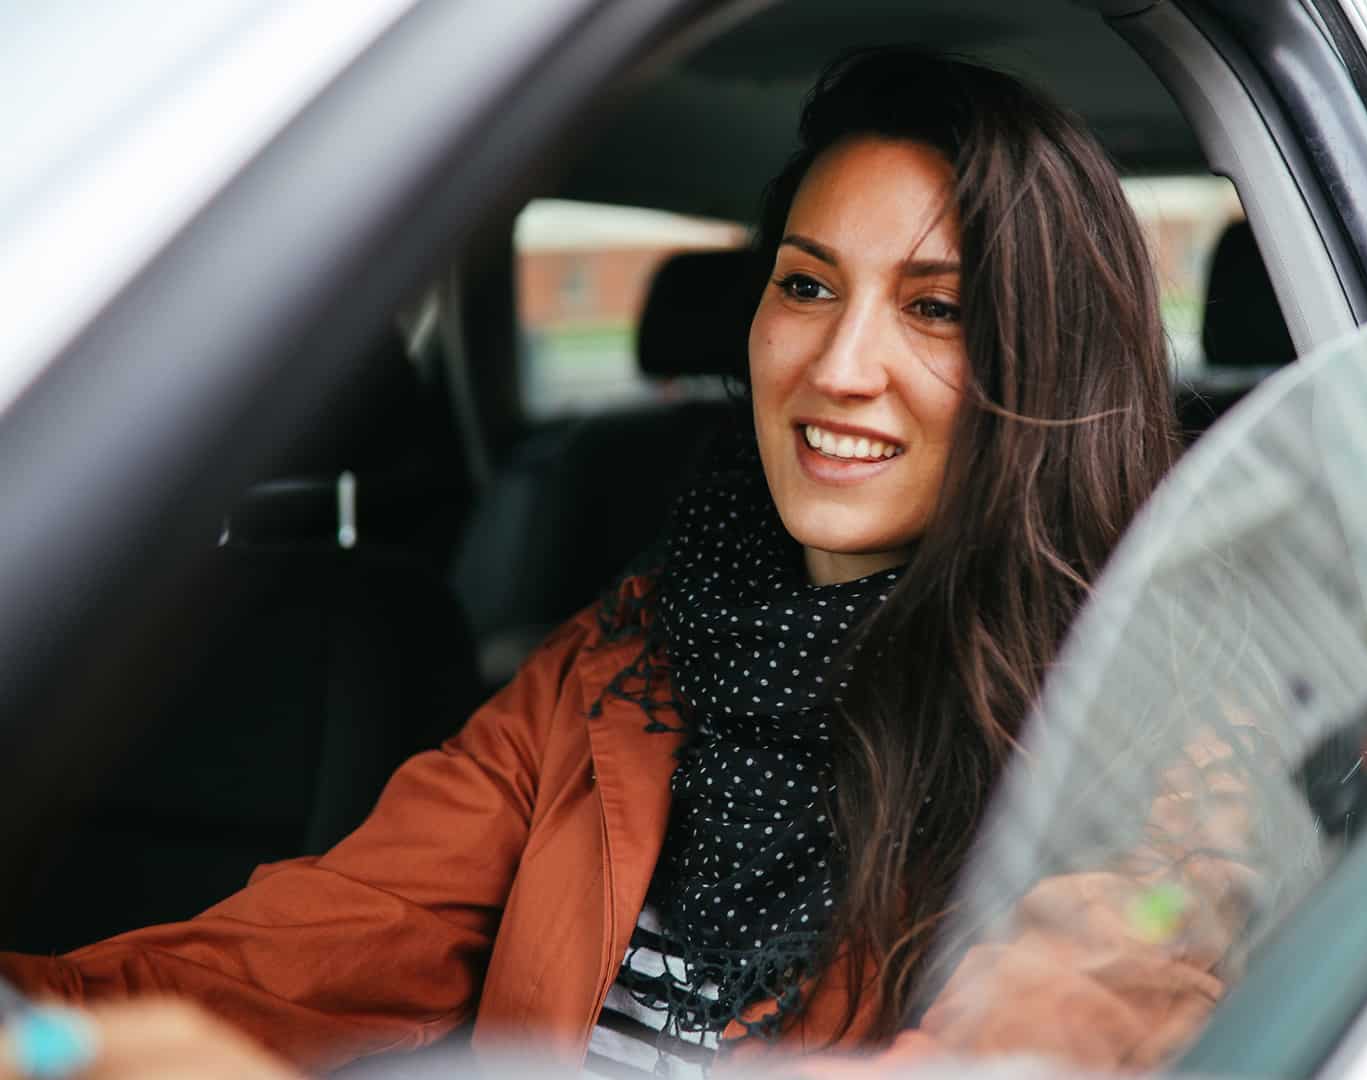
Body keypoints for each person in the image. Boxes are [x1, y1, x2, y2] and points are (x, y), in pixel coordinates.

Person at [0, 46, 1209, 1078]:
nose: (839, 367)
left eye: (936, 309)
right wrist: (45, 1032)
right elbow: (313, 947)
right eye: (805, 285)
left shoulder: (1146, 756)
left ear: (1044, 368)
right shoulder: (624, 660)